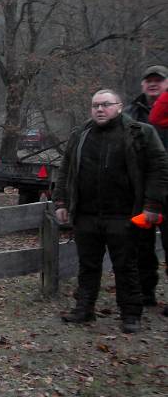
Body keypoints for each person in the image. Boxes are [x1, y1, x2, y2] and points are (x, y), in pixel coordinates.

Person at [52, 88, 168, 333]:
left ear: (119, 106)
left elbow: (158, 170)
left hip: (124, 214)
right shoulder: (81, 134)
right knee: (87, 265)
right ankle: (84, 309)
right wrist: (61, 202)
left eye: (106, 104)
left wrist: (152, 205)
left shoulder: (140, 133)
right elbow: (66, 169)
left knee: (126, 266)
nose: (100, 109)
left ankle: (131, 314)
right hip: (86, 214)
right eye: (95, 105)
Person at [125, 65, 168, 309]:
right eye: (149, 80)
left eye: (158, 80)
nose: (153, 84)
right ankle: (145, 292)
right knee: (141, 246)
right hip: (139, 192)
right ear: (142, 84)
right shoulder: (131, 113)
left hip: (166, 190)